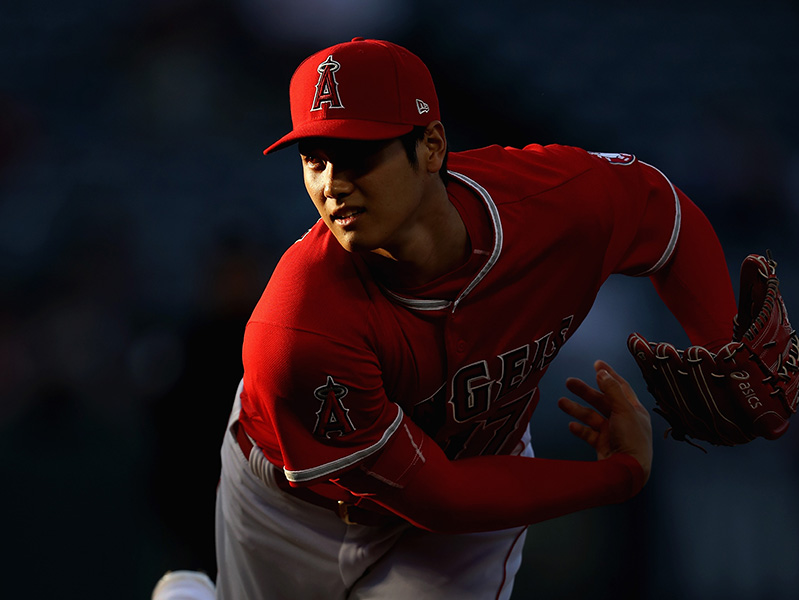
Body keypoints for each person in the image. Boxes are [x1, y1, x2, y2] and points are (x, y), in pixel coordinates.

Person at [213, 37, 738, 599]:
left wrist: (723, 349)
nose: (332, 184)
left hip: (479, 472)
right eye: (314, 160)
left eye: (361, 154)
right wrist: (618, 475)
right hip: (295, 506)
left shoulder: (552, 204)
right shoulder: (298, 327)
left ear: (433, 146)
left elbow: (662, 207)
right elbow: (437, 496)